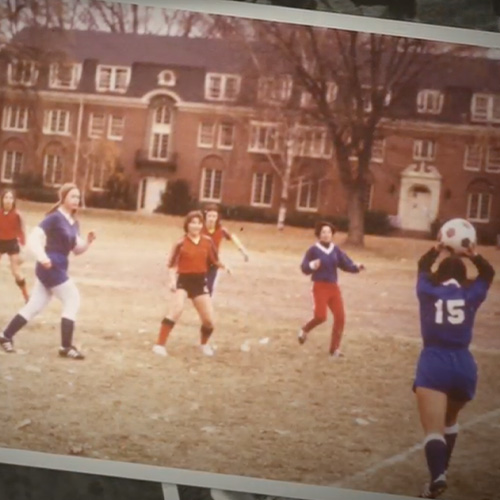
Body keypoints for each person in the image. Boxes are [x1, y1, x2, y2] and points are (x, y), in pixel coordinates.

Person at [413, 242, 495, 498]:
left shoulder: (427, 291)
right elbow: (488, 274)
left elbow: (422, 267)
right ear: (463, 276)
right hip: (463, 365)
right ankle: (441, 474)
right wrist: (474, 255)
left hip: (434, 362)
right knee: (449, 420)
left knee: (433, 429)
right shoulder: (470, 295)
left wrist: (438, 249)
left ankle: (437, 476)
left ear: (439, 275)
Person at [0, 183, 96, 360]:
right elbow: (34, 238)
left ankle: (5, 335)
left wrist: (88, 242)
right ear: (63, 197)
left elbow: (76, 249)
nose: (76, 200)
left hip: (58, 266)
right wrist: (42, 257)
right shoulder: (54, 217)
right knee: (72, 298)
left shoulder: (74, 222)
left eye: (78, 197)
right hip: (50, 267)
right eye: (72, 196)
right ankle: (66, 347)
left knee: (35, 305)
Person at [152, 210, 229, 358]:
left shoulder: (207, 241)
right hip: (183, 282)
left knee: (209, 320)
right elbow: (172, 265)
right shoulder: (180, 243)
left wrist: (225, 266)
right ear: (187, 225)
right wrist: (172, 281)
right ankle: (159, 345)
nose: (196, 226)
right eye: (193, 223)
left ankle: (204, 344)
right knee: (176, 310)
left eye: (199, 223)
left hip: (200, 282)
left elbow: (214, 259)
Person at [298, 221, 365, 357]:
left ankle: (334, 349)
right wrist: (312, 265)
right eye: (323, 232)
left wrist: (356, 267)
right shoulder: (313, 250)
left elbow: (346, 264)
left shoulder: (335, 249)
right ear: (319, 234)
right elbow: (304, 268)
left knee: (340, 317)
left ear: (332, 234)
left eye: (329, 232)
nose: (326, 235)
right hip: (319, 286)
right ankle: (305, 329)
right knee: (321, 316)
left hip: (333, 288)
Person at [202, 203, 249, 296]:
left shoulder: (221, 230)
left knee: (209, 288)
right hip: (200, 260)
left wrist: (243, 251)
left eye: (214, 216)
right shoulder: (200, 228)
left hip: (213, 262)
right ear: (205, 216)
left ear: (217, 217)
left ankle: (206, 305)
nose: (211, 218)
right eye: (209, 216)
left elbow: (233, 238)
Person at [0, 189, 30, 302]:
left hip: (12, 242)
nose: (8, 200)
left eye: (10, 198)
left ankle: (26, 296)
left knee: (16, 272)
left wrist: (24, 247)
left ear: (13, 201)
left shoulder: (17, 214)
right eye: (6, 198)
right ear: (2, 200)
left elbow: (23, 230)